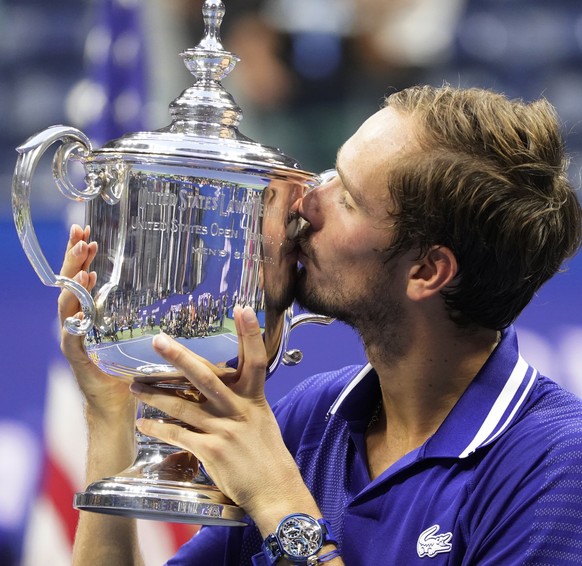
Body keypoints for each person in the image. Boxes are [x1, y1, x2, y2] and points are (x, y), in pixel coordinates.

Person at [59, 84, 582, 565]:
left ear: (426, 271)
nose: (306, 200)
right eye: (330, 172)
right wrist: (110, 415)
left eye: (348, 198)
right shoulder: (314, 417)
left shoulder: (556, 467)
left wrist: (281, 505)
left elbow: (279, 502)